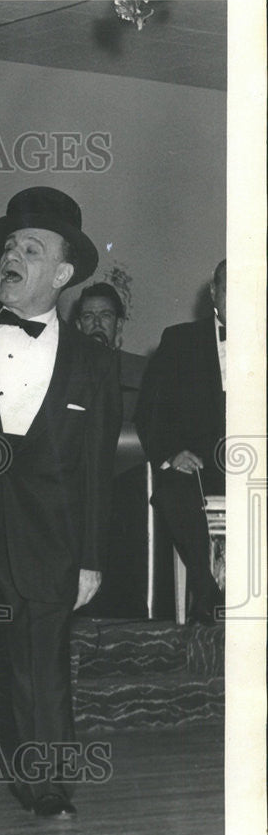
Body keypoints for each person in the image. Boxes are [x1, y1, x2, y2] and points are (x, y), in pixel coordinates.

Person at [0, 187, 122, 821]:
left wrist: (91, 558)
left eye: (32, 249)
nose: (14, 255)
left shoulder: (94, 364)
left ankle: (44, 784)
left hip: (50, 538)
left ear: (63, 274)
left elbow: (98, 468)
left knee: (42, 666)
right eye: (10, 245)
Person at [135, 260, 226, 626]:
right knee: (172, 493)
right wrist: (172, 454)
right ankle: (206, 590)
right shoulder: (179, 340)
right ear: (214, 294)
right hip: (199, 466)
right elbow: (149, 412)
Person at [73, 281, 125, 349]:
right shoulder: (65, 359)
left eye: (105, 315)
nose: (97, 322)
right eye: (88, 316)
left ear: (119, 323)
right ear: (79, 325)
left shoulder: (131, 359)